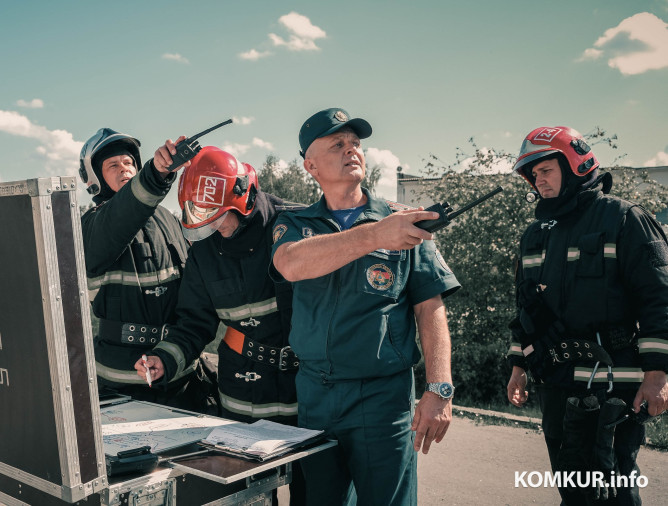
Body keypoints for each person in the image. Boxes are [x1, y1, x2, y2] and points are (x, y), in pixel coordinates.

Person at [270, 107, 461, 506]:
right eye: (337, 144)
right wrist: (375, 235)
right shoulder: (295, 223)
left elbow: (431, 307)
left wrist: (439, 387)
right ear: (310, 164)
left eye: (356, 143)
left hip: (382, 398)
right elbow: (290, 263)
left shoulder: (402, 221)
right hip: (315, 395)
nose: (352, 150)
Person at [135, 145, 307, 504]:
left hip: (306, 391)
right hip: (242, 394)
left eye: (217, 215)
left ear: (242, 196)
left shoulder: (295, 225)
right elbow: (195, 323)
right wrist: (164, 359)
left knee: (316, 492)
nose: (212, 226)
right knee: (246, 497)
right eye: (201, 216)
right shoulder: (205, 247)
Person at [505, 126, 668, 505]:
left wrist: (658, 374)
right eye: (533, 175)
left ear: (575, 164)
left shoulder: (624, 219)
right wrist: (518, 365)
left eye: (545, 170)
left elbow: (660, 298)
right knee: (573, 487)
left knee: (610, 486)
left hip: (613, 382)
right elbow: (526, 309)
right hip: (558, 382)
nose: (537, 181)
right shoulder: (536, 234)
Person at [79, 128, 198, 408]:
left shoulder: (169, 220)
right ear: (95, 178)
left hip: (179, 374)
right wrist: (156, 173)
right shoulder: (92, 225)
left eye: (130, 162)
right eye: (113, 165)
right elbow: (121, 215)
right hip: (121, 384)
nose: (124, 169)